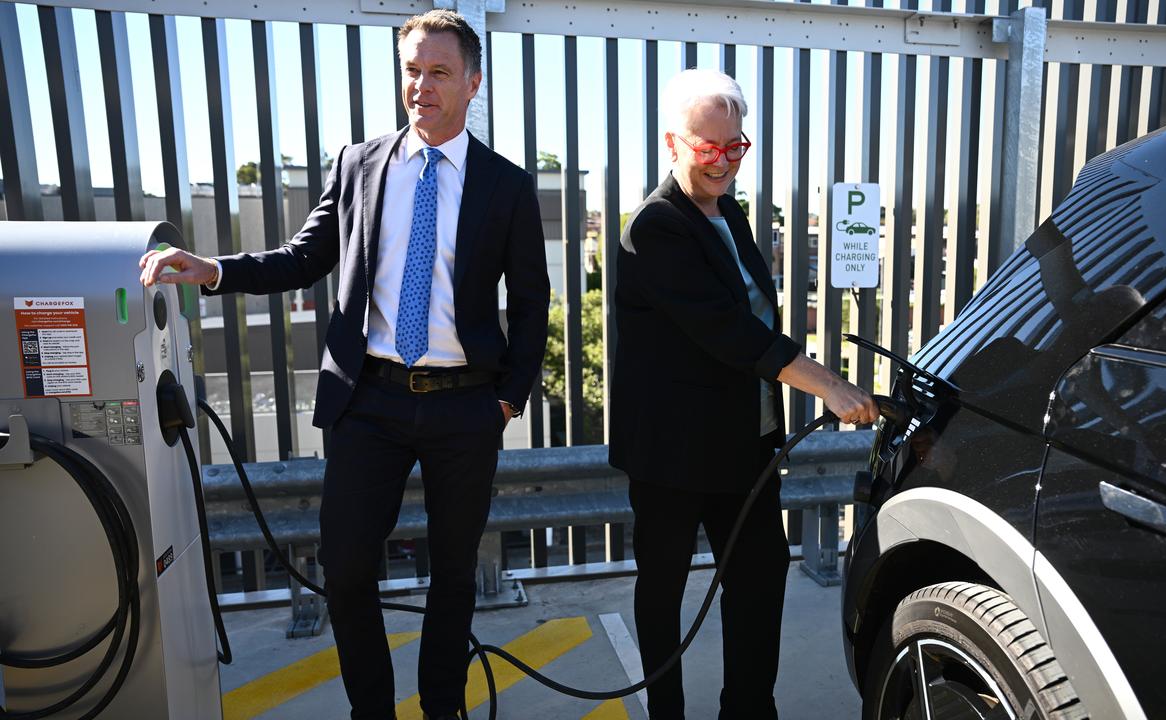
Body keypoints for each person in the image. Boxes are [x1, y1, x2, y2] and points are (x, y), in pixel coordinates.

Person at [138, 10, 549, 720]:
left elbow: (534, 300)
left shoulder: (506, 186)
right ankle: (373, 711)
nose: (421, 86)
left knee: (453, 574)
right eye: (412, 71)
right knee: (349, 566)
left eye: (439, 72)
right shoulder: (359, 164)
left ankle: (442, 705)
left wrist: (507, 401)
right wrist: (211, 270)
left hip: (465, 406)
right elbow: (303, 258)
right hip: (370, 400)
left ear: (473, 83)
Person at [609, 68, 879, 720]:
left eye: (738, 146)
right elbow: (728, 331)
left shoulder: (729, 210)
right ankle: (665, 713)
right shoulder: (654, 226)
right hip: (672, 453)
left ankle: (750, 710)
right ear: (673, 141)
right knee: (664, 590)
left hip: (746, 443)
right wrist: (832, 387)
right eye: (710, 148)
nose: (725, 163)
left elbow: (756, 314)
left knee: (759, 580)